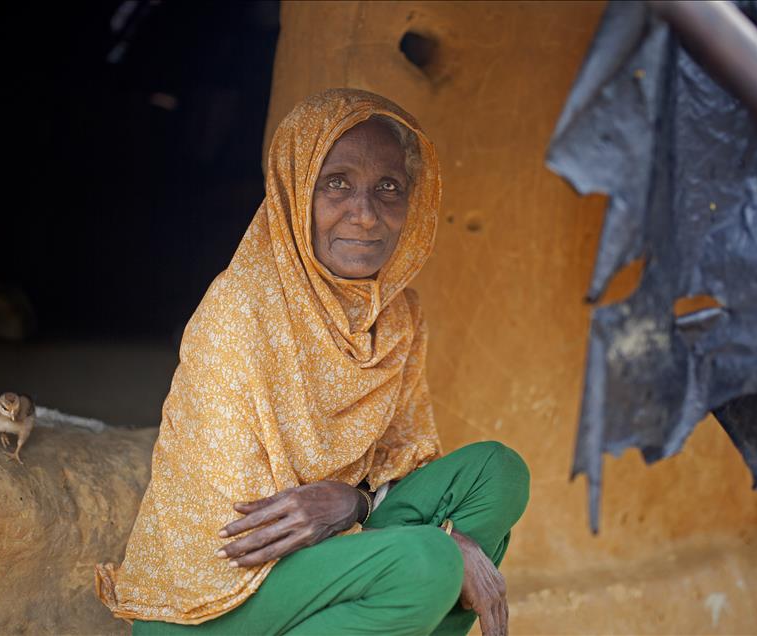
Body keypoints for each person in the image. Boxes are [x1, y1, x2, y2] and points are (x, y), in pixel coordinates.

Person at [96, 88, 529, 636]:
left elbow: (401, 462)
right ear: (294, 192)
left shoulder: (396, 317)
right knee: (430, 563)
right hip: (214, 603)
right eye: (337, 184)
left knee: (497, 472)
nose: (366, 215)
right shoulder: (241, 308)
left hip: (324, 556)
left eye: (389, 188)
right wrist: (436, 540)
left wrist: (359, 504)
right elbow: (253, 531)